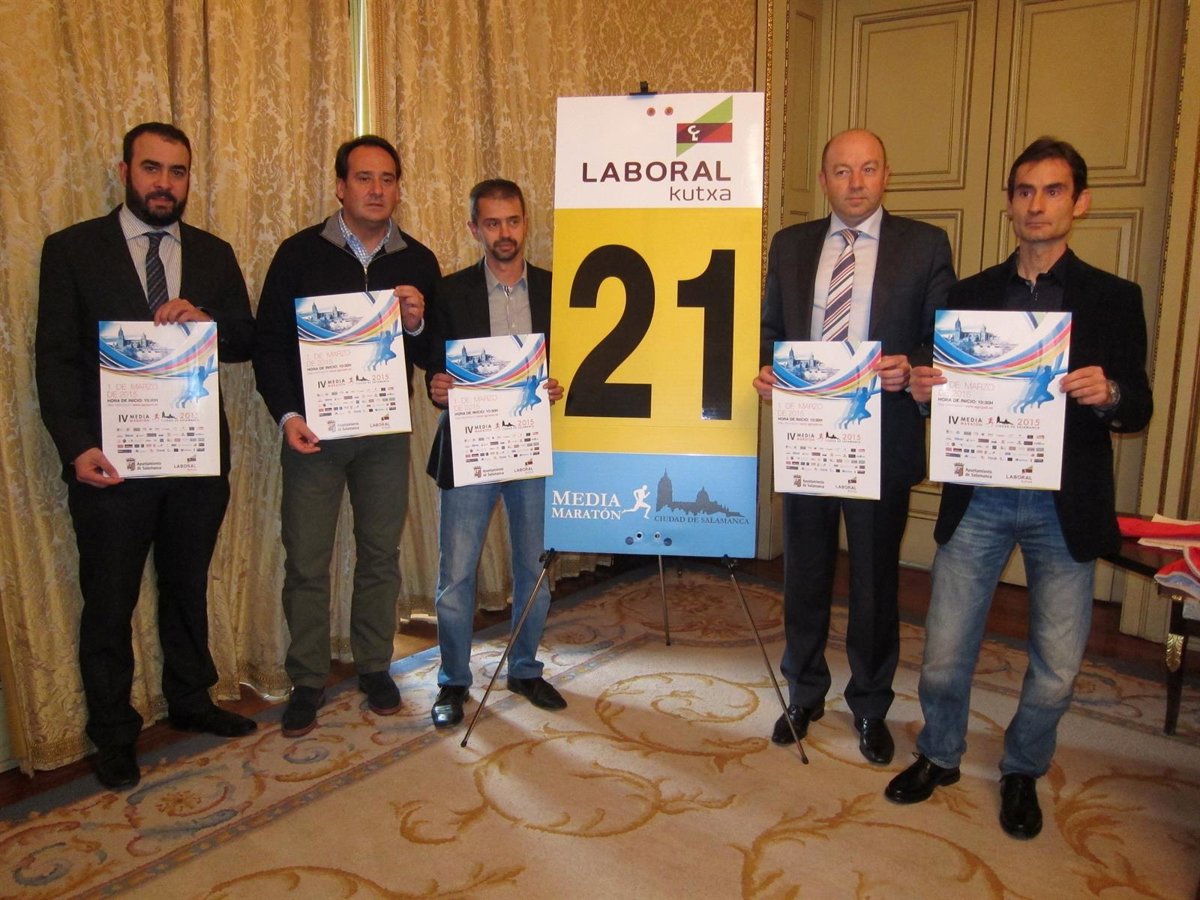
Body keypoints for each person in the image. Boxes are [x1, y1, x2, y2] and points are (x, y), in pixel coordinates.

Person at [884, 138, 1153, 839]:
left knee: (1057, 667)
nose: (1037, 205)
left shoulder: (1114, 298)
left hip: (1064, 504)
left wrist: (1110, 393)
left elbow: (1138, 406)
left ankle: (1022, 769)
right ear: (1009, 203)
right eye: (1025, 191)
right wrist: (925, 392)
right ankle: (939, 754)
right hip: (979, 494)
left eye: (1053, 190)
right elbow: (944, 396)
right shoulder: (967, 296)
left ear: (1079, 203)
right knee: (943, 653)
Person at [36, 122, 257, 790]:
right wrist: (76, 447)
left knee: (186, 587)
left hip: (194, 460)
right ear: (125, 171)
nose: (165, 183)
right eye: (152, 168)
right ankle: (112, 733)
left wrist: (206, 323)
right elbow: (55, 358)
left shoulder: (213, 253)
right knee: (109, 601)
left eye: (177, 171)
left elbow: (244, 339)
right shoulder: (73, 249)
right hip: (112, 465)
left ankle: (190, 699)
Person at [753, 129, 955, 764]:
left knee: (874, 581)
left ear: (886, 175)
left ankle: (870, 703)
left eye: (868, 169)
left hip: (881, 436)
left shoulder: (924, 244)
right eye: (842, 171)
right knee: (804, 573)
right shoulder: (790, 245)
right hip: (809, 436)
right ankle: (805, 692)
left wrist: (911, 365)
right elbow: (771, 330)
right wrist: (768, 371)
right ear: (824, 180)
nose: (856, 182)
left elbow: (940, 336)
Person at [253, 135, 440, 737]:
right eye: (364, 178)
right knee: (307, 560)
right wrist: (287, 415)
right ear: (340, 187)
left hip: (383, 435)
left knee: (380, 555)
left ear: (398, 188)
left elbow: (433, 358)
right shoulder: (299, 254)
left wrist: (417, 324)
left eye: (387, 178)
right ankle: (307, 678)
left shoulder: (418, 260)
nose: (377, 189)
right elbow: (268, 345)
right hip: (315, 434)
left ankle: (374, 666)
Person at [424, 179, 566, 728]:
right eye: (492, 223)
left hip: (533, 447)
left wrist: (561, 383)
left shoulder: (555, 289)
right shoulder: (449, 291)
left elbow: (573, 360)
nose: (504, 233)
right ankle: (453, 681)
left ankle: (525, 669)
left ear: (525, 222)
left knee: (535, 568)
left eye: (513, 221)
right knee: (457, 574)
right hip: (471, 447)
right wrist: (437, 385)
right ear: (474, 228)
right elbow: (433, 366)